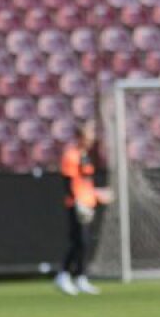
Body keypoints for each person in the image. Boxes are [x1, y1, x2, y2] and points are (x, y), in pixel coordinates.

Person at [55, 121, 112, 296]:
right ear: (79, 137)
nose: (90, 140)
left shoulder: (84, 155)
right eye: (87, 137)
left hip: (87, 203)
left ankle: (80, 277)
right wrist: (77, 201)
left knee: (85, 242)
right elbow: (68, 182)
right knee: (79, 241)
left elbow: (85, 182)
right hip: (77, 205)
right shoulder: (71, 156)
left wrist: (97, 194)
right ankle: (64, 275)